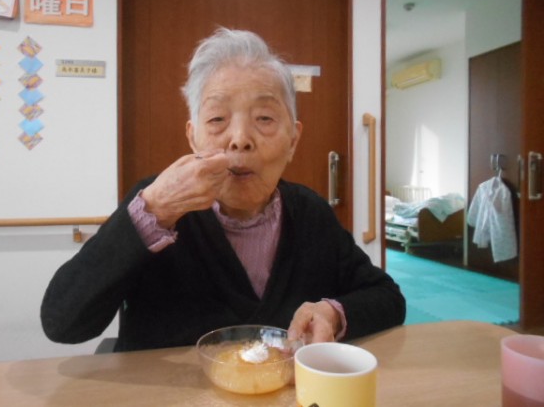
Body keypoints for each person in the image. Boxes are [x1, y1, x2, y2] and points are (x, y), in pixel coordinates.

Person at [41, 28, 405, 352]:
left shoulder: (310, 212)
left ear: (293, 140)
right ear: (193, 137)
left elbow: (387, 297)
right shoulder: (154, 208)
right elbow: (63, 323)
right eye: (217, 119)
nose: (240, 139)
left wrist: (332, 313)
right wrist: (153, 211)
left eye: (264, 118)